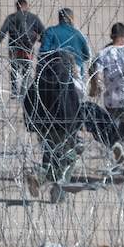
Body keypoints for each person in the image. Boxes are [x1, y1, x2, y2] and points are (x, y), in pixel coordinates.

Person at [23, 49, 84, 203]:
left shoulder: (39, 81)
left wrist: (31, 124)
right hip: (62, 127)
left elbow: (28, 102)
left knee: (49, 156)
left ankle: (40, 174)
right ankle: (58, 190)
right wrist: (75, 128)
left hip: (42, 127)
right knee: (67, 158)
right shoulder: (65, 81)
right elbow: (73, 106)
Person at [88, 23, 124, 170]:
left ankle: (117, 145)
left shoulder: (104, 53)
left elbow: (96, 71)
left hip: (110, 103)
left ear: (111, 36)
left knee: (122, 127)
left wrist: (97, 87)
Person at [0, 0, 47, 97]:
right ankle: (23, 91)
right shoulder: (33, 18)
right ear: (26, 6)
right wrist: (39, 40)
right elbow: (43, 32)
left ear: (17, 7)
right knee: (26, 72)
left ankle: (14, 91)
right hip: (27, 49)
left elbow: (2, 32)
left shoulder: (11, 17)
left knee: (14, 71)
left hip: (14, 50)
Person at [39, 8, 91, 91]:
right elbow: (87, 55)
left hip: (55, 72)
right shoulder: (77, 34)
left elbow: (43, 52)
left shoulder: (51, 31)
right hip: (76, 73)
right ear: (70, 19)